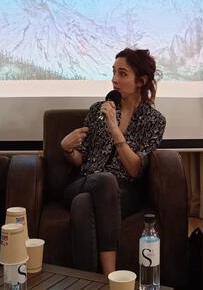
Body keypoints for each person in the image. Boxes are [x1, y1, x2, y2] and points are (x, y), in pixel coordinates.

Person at [60, 48, 166, 275]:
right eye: (113, 72)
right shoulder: (98, 110)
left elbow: (135, 169)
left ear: (141, 81)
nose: (114, 79)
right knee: (102, 181)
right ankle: (111, 276)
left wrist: (114, 129)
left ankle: (87, 282)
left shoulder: (154, 120)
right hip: (85, 181)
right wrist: (67, 148)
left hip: (124, 191)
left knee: (83, 204)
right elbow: (81, 158)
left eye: (122, 74)